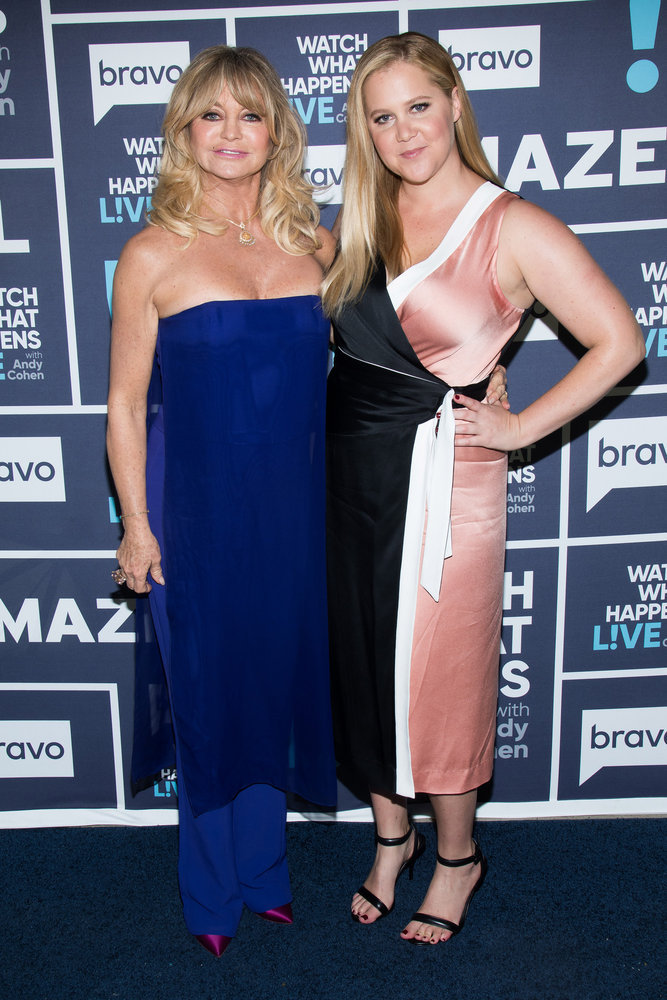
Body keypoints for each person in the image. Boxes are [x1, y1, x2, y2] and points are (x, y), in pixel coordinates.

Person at [321, 32, 645, 946]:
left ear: (455, 103)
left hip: (446, 486)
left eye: (418, 107)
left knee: (444, 678)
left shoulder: (514, 225)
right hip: (350, 479)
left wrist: (517, 426)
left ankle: (458, 857)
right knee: (364, 665)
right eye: (381, 117)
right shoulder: (361, 216)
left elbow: (620, 343)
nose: (403, 132)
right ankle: (392, 839)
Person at [106, 45, 339, 957]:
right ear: (184, 132)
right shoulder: (151, 252)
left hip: (293, 512)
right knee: (206, 696)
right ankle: (210, 892)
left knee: (272, 685)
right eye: (211, 114)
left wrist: (486, 378)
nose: (231, 133)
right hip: (192, 509)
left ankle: (265, 873)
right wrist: (137, 525)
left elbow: (389, 350)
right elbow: (125, 403)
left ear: (276, 131)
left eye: (250, 114)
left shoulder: (317, 244)